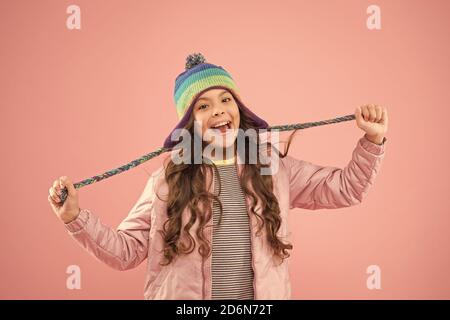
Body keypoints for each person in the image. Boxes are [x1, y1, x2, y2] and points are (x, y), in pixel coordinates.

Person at [48, 53, 388, 300]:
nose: (218, 110)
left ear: (239, 110)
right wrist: (75, 218)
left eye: (226, 99)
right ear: (188, 125)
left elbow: (346, 189)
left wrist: (372, 140)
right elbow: (125, 252)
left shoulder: (273, 168)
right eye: (203, 105)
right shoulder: (167, 181)